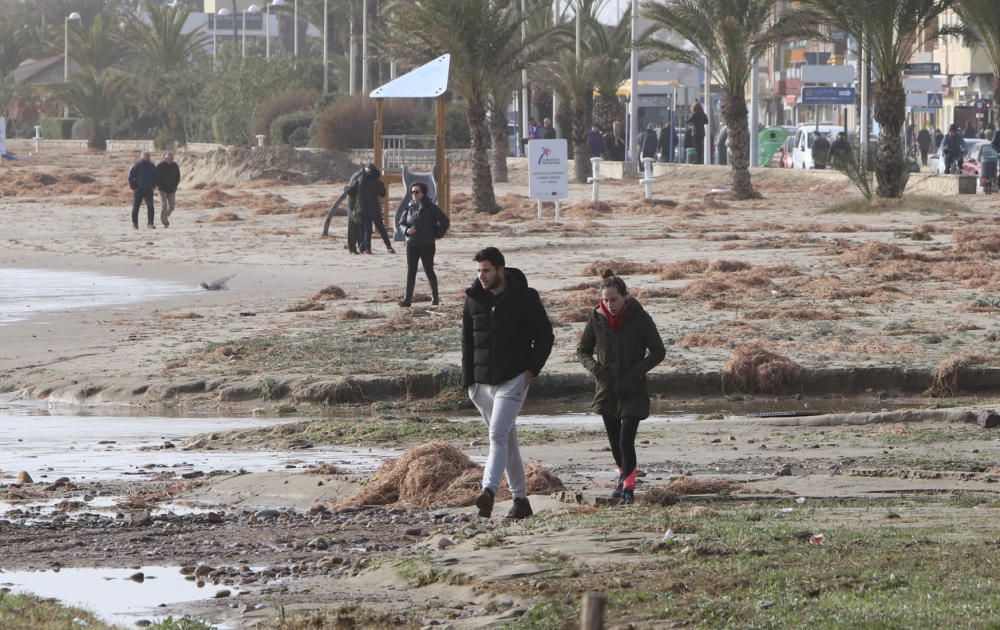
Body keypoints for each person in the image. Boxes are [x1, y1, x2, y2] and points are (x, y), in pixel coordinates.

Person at [463, 247, 554, 520]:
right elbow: (467, 342)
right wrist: (469, 384)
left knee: (497, 436)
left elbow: (545, 337)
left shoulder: (525, 298)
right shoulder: (472, 300)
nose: (482, 276)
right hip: (481, 386)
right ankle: (521, 501)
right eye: (479, 271)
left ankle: (488, 491)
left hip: (513, 380)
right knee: (508, 441)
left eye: (487, 271)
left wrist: (530, 373)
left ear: (501, 270)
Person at [576, 270, 665, 505]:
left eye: (614, 299)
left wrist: (636, 371)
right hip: (607, 390)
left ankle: (628, 486)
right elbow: (582, 351)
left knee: (626, 440)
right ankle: (623, 477)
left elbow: (658, 351)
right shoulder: (596, 318)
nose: (609, 304)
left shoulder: (640, 318)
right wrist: (597, 370)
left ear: (625, 296)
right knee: (615, 441)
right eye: (605, 299)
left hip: (633, 389)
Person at [397, 181, 449, 307]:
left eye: (417, 192)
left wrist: (437, 234)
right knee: (411, 271)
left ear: (423, 193)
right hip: (412, 244)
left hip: (427, 244)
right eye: (412, 192)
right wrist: (406, 231)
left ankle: (435, 298)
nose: (414, 194)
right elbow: (401, 223)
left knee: (429, 270)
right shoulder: (409, 207)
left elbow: (445, 221)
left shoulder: (431, 208)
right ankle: (407, 300)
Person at [346, 163, 395, 255]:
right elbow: (382, 193)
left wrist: (356, 198)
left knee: (367, 230)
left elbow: (349, 191)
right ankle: (388, 246)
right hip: (374, 209)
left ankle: (367, 249)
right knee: (381, 229)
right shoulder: (377, 181)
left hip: (362, 209)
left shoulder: (358, 178)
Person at [128, 151, 157, 230]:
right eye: (146, 156)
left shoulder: (152, 165)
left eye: (148, 156)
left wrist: (153, 186)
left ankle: (150, 224)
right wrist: (134, 187)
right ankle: (135, 224)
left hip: (148, 190)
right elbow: (130, 177)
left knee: (150, 207)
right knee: (136, 207)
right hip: (139, 190)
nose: (148, 157)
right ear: (142, 156)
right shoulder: (136, 165)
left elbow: (155, 176)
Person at [154, 151, 180, 228]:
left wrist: (175, 186)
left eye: (172, 158)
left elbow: (178, 177)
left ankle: (165, 217)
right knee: (164, 206)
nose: (170, 159)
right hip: (162, 190)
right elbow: (156, 177)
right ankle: (164, 221)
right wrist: (158, 186)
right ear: (165, 158)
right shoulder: (160, 166)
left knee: (172, 207)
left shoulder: (175, 165)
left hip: (172, 189)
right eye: (168, 158)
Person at [344, 167, 366, 254]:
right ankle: (354, 248)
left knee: (357, 226)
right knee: (354, 227)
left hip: (353, 205)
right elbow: (353, 193)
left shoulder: (357, 176)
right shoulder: (361, 179)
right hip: (353, 205)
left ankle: (358, 247)